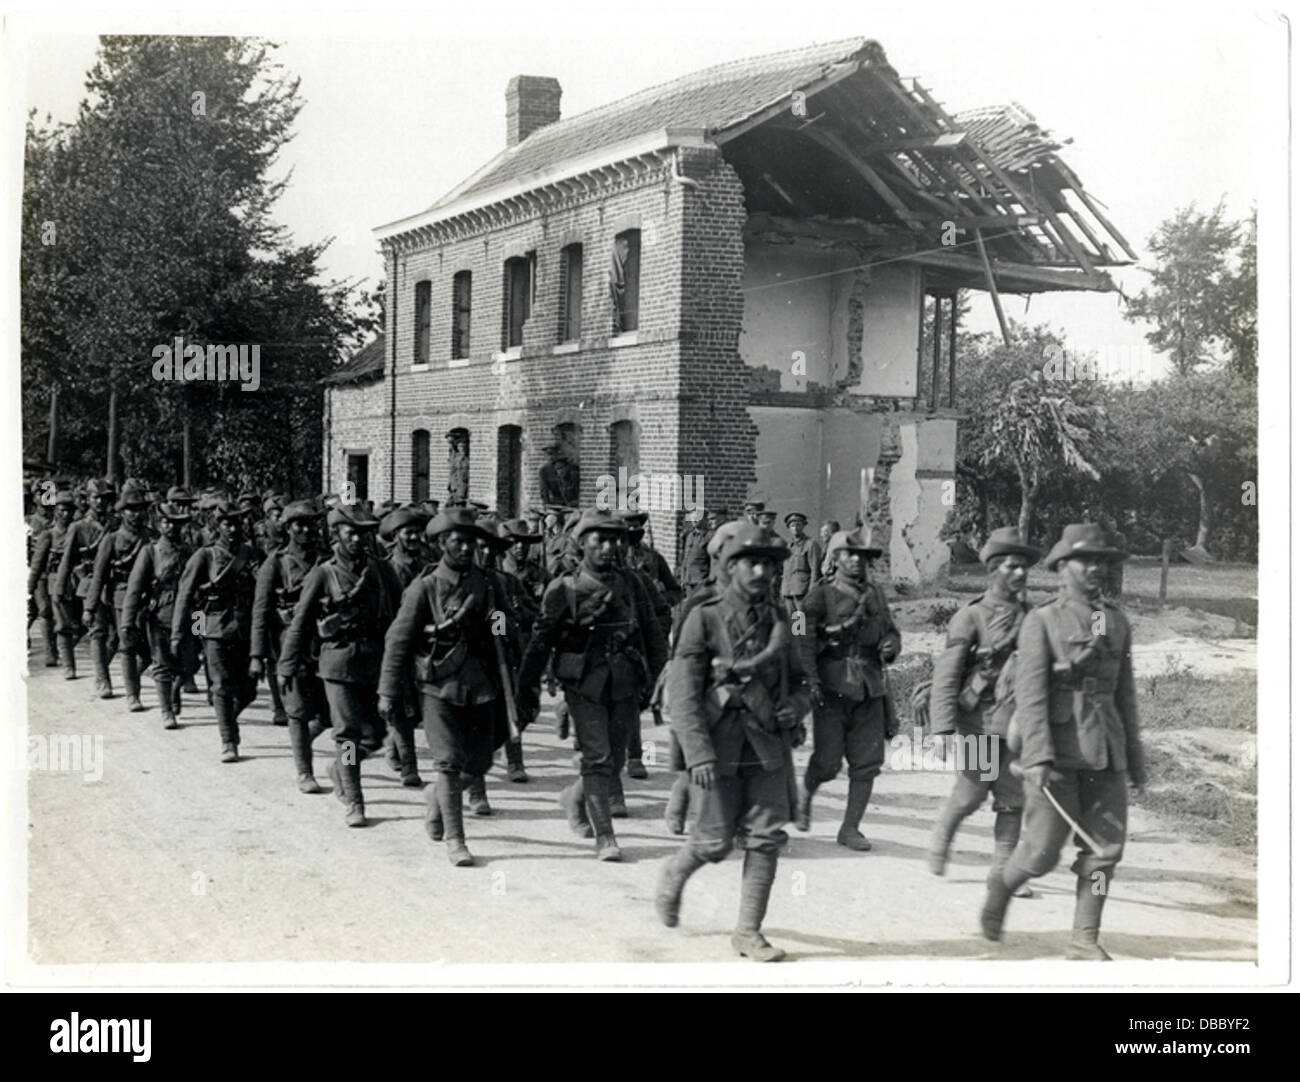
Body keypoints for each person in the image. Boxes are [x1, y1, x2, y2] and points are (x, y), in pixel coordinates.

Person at [979, 524, 1145, 960]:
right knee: (1040, 853)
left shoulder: (1116, 621)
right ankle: (1001, 888)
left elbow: (1124, 693)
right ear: (1061, 567)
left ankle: (1084, 938)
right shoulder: (1043, 620)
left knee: (1106, 852)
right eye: (1084, 560)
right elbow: (1031, 695)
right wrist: (1035, 756)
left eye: (1102, 561)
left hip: (1105, 751)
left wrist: (1135, 759)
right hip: (1056, 752)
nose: (1094, 568)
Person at [654, 524, 808, 962]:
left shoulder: (781, 618)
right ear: (731, 566)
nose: (762, 572)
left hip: (765, 745)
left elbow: (801, 680)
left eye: (769, 565)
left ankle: (748, 932)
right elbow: (683, 696)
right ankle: (676, 872)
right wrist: (697, 753)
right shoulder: (703, 617)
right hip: (716, 746)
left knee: (766, 837)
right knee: (712, 844)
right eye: (752, 563)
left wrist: (795, 708)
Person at [516, 509, 665, 861]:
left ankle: (575, 798)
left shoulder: (634, 583)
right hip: (583, 684)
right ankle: (606, 837)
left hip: (626, 681)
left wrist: (660, 679)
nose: (609, 547)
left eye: (615, 540)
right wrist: (528, 688)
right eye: (600, 540)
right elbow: (540, 644)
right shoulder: (563, 588)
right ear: (582, 543)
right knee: (597, 757)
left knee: (613, 761)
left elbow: (653, 635)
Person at [378, 508, 502, 865]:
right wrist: (387, 690)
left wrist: (501, 627)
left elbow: (503, 625)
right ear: (441, 544)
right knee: (447, 762)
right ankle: (456, 840)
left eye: (471, 542)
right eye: (458, 542)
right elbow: (398, 639)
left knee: (478, 762)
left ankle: (437, 800)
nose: (466, 549)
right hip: (438, 685)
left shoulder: (488, 583)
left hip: (481, 686)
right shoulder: (426, 586)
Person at [927, 528, 1039, 896]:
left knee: (1012, 801)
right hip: (980, 723)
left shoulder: (1034, 617)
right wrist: (942, 729)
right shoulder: (971, 617)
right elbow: (947, 674)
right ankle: (943, 833)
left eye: (1024, 567)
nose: (1020, 574)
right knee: (971, 795)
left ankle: (1002, 873)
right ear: (994, 569)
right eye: (1012, 567)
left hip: (1018, 725)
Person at [278, 503, 402, 827]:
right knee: (346, 734)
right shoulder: (324, 574)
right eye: (352, 533)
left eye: (364, 534)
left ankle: (340, 769)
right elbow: (301, 622)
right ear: (336, 535)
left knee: (374, 735)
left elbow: (401, 616)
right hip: (338, 664)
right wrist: (286, 666)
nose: (359, 540)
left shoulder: (381, 570)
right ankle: (355, 800)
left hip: (375, 661)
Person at [794, 527, 901, 851]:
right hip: (832, 688)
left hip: (870, 687)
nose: (856, 561)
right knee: (827, 762)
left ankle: (850, 828)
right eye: (849, 554)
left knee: (867, 762)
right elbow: (800, 640)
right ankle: (805, 793)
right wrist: (808, 680)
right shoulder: (817, 596)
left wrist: (890, 646)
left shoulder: (877, 594)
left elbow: (893, 632)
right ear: (835, 558)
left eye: (862, 556)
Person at [251, 500, 330, 792]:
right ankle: (304, 772)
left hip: (323, 643)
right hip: (288, 644)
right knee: (296, 710)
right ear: (287, 528)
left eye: (311, 524)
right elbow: (261, 611)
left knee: (330, 714)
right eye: (299, 524)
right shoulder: (276, 562)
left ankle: (302, 743)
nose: (306, 530)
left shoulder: (326, 559)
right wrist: (257, 655)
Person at [172, 500, 259, 762]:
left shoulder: (252, 553)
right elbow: (185, 595)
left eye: (237, 522)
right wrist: (178, 633)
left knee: (249, 689)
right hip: (214, 626)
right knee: (221, 685)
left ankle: (227, 721)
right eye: (227, 523)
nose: (233, 528)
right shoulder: (205, 555)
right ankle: (228, 741)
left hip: (246, 628)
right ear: (217, 525)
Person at [121, 501, 196, 729]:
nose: (171, 527)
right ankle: (167, 711)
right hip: (161, 613)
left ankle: (176, 687)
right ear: (159, 524)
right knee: (161, 662)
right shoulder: (150, 551)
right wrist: (127, 622)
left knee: (194, 661)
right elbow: (134, 588)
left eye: (175, 524)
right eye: (166, 522)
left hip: (194, 614)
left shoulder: (191, 552)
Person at [86, 480, 155, 709]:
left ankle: (118, 676)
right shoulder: (112, 539)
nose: (136, 515)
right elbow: (99, 575)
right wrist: (90, 607)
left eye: (139, 510)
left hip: (150, 598)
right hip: (121, 597)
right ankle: (132, 694)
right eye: (130, 510)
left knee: (147, 652)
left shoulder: (151, 537)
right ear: (122, 512)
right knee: (126, 645)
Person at [377, 504, 432, 788]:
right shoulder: (388, 568)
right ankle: (409, 765)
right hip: (396, 641)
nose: (414, 538)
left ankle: (395, 746)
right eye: (408, 533)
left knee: (420, 705)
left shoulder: (429, 562)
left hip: (425, 642)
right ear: (396, 535)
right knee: (398, 703)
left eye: (417, 533)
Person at [55, 479, 117, 689]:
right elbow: (67, 560)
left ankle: (102, 667)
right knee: (98, 630)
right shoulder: (78, 527)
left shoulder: (115, 523)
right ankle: (102, 679)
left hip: (114, 583)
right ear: (88, 500)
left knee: (116, 636)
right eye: (95, 497)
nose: (99, 501)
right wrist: (59, 589)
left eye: (103, 498)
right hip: (90, 582)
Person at [28, 490, 75, 668]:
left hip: (58, 576)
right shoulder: (29, 521)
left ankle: (59, 648)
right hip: (40, 572)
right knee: (44, 610)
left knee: (59, 615)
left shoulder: (67, 527)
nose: (44, 498)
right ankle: (50, 650)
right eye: (40, 494)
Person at [780, 512, 821, 611]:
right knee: (790, 621)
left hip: (802, 591)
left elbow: (815, 569)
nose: (795, 528)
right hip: (787, 590)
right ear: (789, 528)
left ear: (803, 526)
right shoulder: (788, 547)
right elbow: (785, 570)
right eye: (792, 525)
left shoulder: (810, 544)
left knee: (800, 621)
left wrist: (812, 591)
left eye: (798, 524)